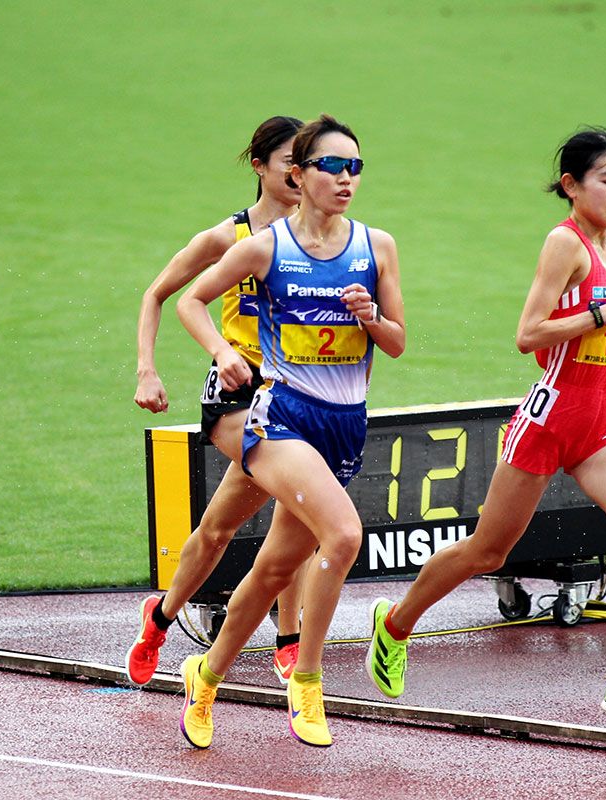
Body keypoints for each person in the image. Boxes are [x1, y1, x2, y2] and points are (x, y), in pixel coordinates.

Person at [365, 127, 606, 731]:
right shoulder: (564, 244)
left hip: (603, 424)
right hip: (550, 420)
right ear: (571, 186)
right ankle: (396, 624)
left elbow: (595, 322)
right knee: (489, 551)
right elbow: (528, 335)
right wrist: (601, 315)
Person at [174, 114, 405, 748]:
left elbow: (396, 343)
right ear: (298, 175)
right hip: (280, 417)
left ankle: (205, 676)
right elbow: (191, 300)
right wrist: (222, 350)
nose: (346, 178)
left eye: (355, 167)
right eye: (332, 166)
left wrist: (371, 317)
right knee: (344, 534)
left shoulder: (377, 246)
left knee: (274, 570)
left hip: (344, 426)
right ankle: (307, 678)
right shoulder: (265, 248)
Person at [126, 116, 309, 689]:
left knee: (218, 529)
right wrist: (148, 370)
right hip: (236, 393)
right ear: (259, 166)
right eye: (290, 162)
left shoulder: (322, 239)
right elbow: (159, 295)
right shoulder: (226, 238)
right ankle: (288, 639)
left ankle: (160, 618)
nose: (301, 174)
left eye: (308, 163)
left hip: (297, 393)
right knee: (299, 493)